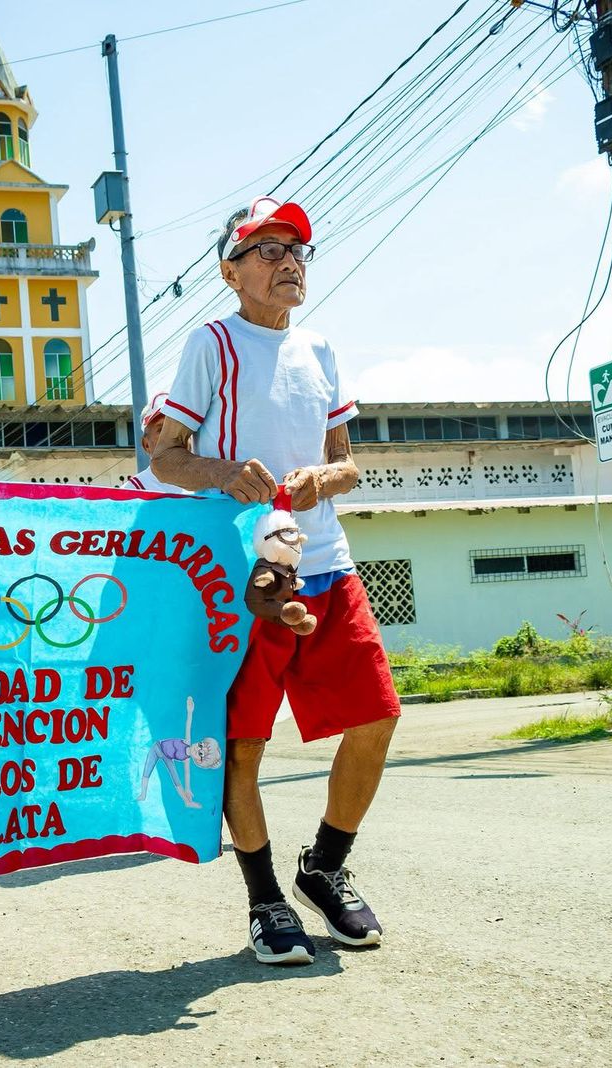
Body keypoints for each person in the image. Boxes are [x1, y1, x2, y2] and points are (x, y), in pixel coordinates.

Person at [151, 197, 401, 963]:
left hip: (326, 563)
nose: (288, 261)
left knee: (377, 716)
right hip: (241, 576)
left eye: (296, 249)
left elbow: (347, 464)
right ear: (231, 272)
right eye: (267, 249)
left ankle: (323, 867)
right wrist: (225, 473)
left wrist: (324, 478)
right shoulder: (213, 344)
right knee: (244, 746)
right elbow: (166, 455)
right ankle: (264, 900)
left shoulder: (320, 349)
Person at [122, 392, 186, 494]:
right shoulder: (132, 491)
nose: (174, 435)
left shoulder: (206, 485)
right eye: (162, 429)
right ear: (146, 445)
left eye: (180, 427)